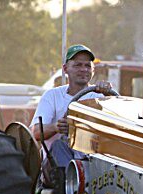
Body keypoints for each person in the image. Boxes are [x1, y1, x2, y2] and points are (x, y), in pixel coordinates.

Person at [30, 44, 112, 186]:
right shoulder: (52, 96)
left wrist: (109, 96)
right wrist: (56, 127)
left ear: (93, 70)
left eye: (87, 66)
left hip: (93, 161)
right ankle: (72, 186)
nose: (83, 69)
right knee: (59, 145)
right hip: (56, 168)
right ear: (65, 69)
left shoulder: (102, 97)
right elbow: (36, 132)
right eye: (78, 65)